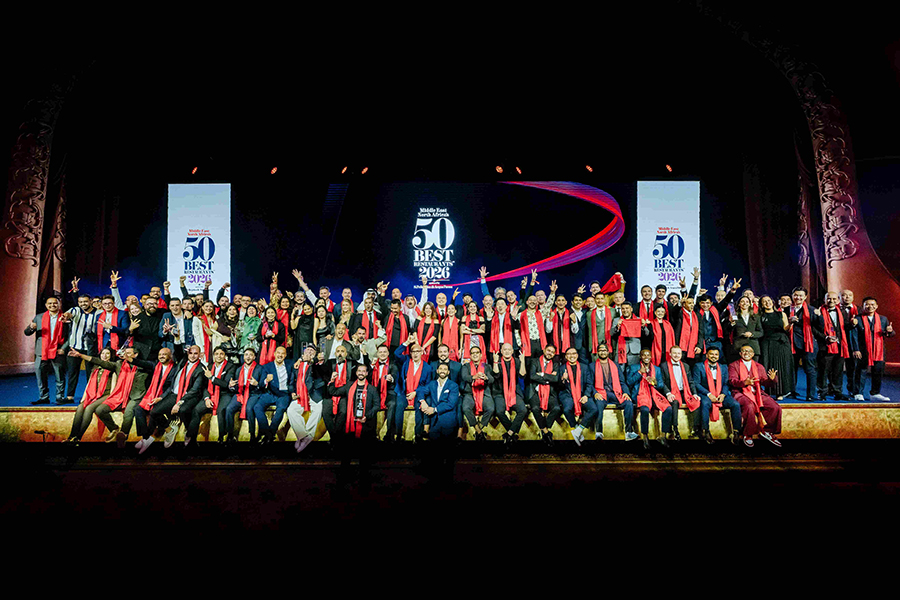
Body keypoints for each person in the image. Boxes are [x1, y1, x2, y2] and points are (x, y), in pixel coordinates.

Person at [72, 345, 156, 447]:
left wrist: (131, 360)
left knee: (128, 412)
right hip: (120, 396)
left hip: (136, 397)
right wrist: (81, 355)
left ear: (136, 354)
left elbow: (150, 365)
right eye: (125, 353)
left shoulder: (143, 366)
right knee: (100, 410)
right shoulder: (119, 364)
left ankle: (123, 435)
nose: (125, 355)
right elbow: (100, 362)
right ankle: (114, 428)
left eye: (129, 353)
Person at [135, 345, 207, 454]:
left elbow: (194, 390)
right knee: (154, 411)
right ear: (187, 354)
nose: (192, 356)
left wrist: (179, 403)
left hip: (189, 396)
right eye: (190, 353)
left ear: (200, 355)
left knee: (182, 410)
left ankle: (189, 433)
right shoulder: (183, 361)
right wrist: (177, 338)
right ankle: (169, 430)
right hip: (175, 394)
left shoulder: (201, 369)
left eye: (195, 353)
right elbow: (178, 350)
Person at [728, 344, 782, 447]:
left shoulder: (758, 366)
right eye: (744, 351)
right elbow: (732, 381)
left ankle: (767, 431)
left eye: (749, 351)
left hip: (757, 393)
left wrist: (772, 380)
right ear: (740, 353)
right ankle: (748, 434)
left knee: (775, 407)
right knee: (749, 406)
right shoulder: (733, 365)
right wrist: (744, 383)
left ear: (753, 354)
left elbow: (764, 382)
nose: (746, 353)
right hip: (741, 393)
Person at [64, 347, 117, 443]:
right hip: (94, 394)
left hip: (106, 395)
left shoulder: (113, 367)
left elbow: (113, 387)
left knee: (89, 408)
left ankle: (78, 438)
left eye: (107, 354)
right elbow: (89, 383)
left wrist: (110, 399)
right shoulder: (95, 367)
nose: (104, 356)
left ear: (111, 356)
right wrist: (84, 397)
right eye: (103, 353)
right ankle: (71, 436)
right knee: (80, 407)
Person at [25, 296, 70, 405]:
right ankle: (43, 397)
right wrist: (31, 328)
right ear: (46, 305)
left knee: (59, 375)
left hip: (58, 350)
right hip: (41, 351)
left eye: (55, 303)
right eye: (49, 303)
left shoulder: (65, 317)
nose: (52, 305)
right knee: (40, 375)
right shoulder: (39, 317)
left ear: (59, 304)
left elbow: (71, 335)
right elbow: (27, 332)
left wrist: (63, 348)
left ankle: (59, 397)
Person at [626, 349, 675, 449]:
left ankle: (662, 436)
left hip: (654, 394)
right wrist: (639, 373)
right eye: (644, 355)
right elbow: (629, 382)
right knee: (644, 410)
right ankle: (645, 437)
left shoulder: (657, 369)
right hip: (641, 394)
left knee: (668, 409)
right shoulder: (634, 367)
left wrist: (655, 382)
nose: (646, 357)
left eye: (648, 355)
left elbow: (661, 385)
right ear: (640, 357)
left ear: (651, 357)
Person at [691, 347, 742, 445]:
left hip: (720, 393)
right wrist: (709, 394)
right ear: (707, 355)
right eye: (711, 354)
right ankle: (705, 431)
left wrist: (723, 394)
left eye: (716, 354)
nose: (714, 356)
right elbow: (696, 383)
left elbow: (726, 383)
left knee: (735, 404)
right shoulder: (699, 366)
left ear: (718, 356)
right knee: (705, 404)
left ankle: (736, 432)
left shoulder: (724, 367)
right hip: (706, 393)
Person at [187, 345, 234, 446]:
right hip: (211, 393)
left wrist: (212, 378)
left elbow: (226, 384)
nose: (219, 356)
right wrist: (207, 398)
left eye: (221, 354)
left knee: (221, 410)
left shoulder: (230, 366)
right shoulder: (209, 366)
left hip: (224, 393)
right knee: (196, 409)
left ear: (225, 355)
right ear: (213, 356)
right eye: (216, 354)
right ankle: (191, 437)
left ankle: (222, 437)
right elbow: (204, 386)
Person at [590, 342, 637, 441]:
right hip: (601, 393)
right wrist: (595, 393)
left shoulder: (615, 365)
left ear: (608, 352)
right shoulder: (592, 366)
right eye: (600, 350)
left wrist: (625, 393)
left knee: (628, 403)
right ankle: (598, 433)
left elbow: (622, 381)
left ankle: (628, 432)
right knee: (598, 404)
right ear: (597, 352)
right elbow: (589, 383)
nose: (602, 352)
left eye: (604, 350)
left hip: (615, 393)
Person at [64, 279, 100, 404]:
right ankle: (70, 396)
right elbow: (68, 314)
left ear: (91, 301)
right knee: (72, 373)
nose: (83, 304)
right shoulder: (75, 310)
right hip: (75, 347)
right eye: (80, 302)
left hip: (90, 348)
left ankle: (90, 396)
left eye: (85, 301)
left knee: (91, 374)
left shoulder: (98, 313)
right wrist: (65, 316)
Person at [852, 297, 895, 401]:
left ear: (876, 306)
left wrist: (889, 331)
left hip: (878, 350)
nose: (870, 306)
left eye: (872, 304)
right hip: (863, 349)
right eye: (867, 304)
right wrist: (856, 349)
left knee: (878, 371)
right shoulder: (857, 319)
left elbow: (889, 333)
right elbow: (853, 335)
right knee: (861, 371)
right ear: (863, 306)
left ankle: (875, 393)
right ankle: (858, 393)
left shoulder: (883, 319)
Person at [394, 335, 434, 442]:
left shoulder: (427, 368)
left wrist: (416, 392)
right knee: (399, 405)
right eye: (413, 351)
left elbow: (427, 385)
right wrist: (407, 342)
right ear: (410, 353)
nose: (415, 354)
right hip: (404, 391)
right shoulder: (406, 361)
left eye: (418, 351)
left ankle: (418, 435)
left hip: (418, 394)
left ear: (421, 352)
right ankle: (398, 434)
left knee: (419, 407)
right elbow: (396, 353)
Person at [787, 287, 824, 401]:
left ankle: (811, 395)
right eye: (796, 295)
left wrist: (819, 316)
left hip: (808, 344)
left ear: (805, 297)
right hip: (791, 343)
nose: (798, 297)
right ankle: (791, 392)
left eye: (800, 295)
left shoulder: (812, 310)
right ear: (792, 296)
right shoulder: (786, 309)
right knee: (791, 369)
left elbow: (821, 327)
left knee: (810, 370)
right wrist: (789, 321)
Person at [816, 291, 854, 400]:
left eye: (834, 299)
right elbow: (814, 329)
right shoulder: (818, 312)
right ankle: (822, 392)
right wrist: (825, 338)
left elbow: (845, 327)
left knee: (838, 371)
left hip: (840, 345)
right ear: (824, 300)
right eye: (829, 298)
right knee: (823, 371)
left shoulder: (842, 312)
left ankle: (837, 392)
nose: (831, 301)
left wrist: (852, 324)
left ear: (837, 300)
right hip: (825, 346)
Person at [287, 345, 324, 452]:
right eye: (307, 350)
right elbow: (290, 383)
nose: (309, 352)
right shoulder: (296, 366)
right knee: (291, 410)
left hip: (313, 394)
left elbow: (319, 373)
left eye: (312, 351)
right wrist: (293, 392)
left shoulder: (316, 365)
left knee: (318, 409)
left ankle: (307, 436)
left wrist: (311, 361)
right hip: (300, 396)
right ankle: (303, 436)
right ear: (302, 354)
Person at [558, 346, 598, 446]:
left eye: (574, 353)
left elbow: (589, 384)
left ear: (577, 355)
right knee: (567, 409)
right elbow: (558, 387)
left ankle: (579, 430)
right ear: (566, 356)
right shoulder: (562, 368)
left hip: (582, 394)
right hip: (567, 394)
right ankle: (576, 428)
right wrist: (563, 379)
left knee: (593, 409)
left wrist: (586, 395)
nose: (572, 356)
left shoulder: (584, 367)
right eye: (569, 354)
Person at [659, 346, 702, 440]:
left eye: (678, 353)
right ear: (670, 354)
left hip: (684, 392)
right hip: (672, 392)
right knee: (674, 402)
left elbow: (691, 382)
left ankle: (696, 428)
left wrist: (694, 393)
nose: (676, 355)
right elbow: (662, 382)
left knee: (696, 401)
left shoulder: (686, 366)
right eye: (674, 353)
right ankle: (675, 428)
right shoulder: (663, 366)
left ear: (681, 355)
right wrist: (668, 393)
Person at [253, 346, 294, 444]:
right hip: (270, 393)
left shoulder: (290, 364)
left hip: (284, 394)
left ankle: (269, 434)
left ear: (285, 355)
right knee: (257, 407)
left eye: (282, 353)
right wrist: (266, 380)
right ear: (274, 354)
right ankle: (267, 432)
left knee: (280, 409)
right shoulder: (267, 367)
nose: (280, 355)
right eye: (278, 353)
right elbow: (261, 384)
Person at [491, 343, 528, 445]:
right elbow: (496, 375)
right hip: (500, 392)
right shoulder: (497, 361)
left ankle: (509, 433)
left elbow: (522, 375)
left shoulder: (517, 361)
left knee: (523, 410)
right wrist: (495, 361)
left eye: (509, 349)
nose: (507, 351)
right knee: (499, 411)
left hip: (514, 392)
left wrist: (522, 361)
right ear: (501, 351)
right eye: (504, 349)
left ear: (512, 351)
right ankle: (512, 433)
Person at [758, 296, 795, 399]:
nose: (767, 303)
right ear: (761, 305)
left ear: (772, 302)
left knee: (781, 367)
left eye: (769, 300)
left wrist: (791, 323)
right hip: (767, 343)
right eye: (764, 301)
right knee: (768, 366)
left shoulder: (781, 314)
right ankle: (769, 391)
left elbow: (786, 328)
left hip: (781, 343)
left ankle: (780, 392)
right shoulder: (760, 316)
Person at [223, 348, 262, 443]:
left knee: (249, 408)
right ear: (243, 357)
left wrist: (257, 384)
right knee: (229, 409)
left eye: (250, 355)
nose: (248, 357)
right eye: (246, 355)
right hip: (241, 393)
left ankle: (252, 435)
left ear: (254, 357)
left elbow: (263, 385)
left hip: (253, 393)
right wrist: (231, 386)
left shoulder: (259, 368)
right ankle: (230, 435)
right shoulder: (239, 369)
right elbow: (236, 386)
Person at [526, 344, 561, 446]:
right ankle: (546, 432)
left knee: (557, 408)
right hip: (535, 392)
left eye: (552, 352)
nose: (550, 353)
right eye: (548, 350)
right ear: (544, 350)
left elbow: (556, 379)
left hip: (550, 392)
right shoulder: (534, 361)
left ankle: (544, 429)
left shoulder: (555, 364)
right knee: (535, 408)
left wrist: (542, 374)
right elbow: (532, 376)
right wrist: (548, 378)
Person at [459, 346, 495, 443]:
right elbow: (464, 377)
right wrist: (474, 377)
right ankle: (479, 431)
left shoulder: (486, 366)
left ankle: (479, 429)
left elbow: (492, 379)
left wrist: (486, 378)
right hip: (470, 393)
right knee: (466, 408)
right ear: (470, 356)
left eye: (477, 352)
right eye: (473, 353)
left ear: (481, 355)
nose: (475, 355)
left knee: (491, 408)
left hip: (484, 392)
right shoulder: (465, 366)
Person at [369, 344, 400, 442]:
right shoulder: (373, 364)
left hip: (388, 392)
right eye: (380, 352)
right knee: (369, 403)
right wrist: (371, 366)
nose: (382, 354)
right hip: (375, 393)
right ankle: (371, 434)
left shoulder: (393, 364)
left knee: (393, 404)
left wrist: (391, 378)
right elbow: (367, 378)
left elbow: (395, 375)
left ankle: (389, 433)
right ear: (377, 354)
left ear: (388, 353)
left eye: (384, 352)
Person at [610, 302, 646, 366]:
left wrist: (643, 327)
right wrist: (617, 327)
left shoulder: (638, 320)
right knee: (619, 370)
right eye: (623, 308)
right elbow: (611, 333)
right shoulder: (617, 320)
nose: (625, 310)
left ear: (631, 309)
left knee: (633, 370)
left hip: (634, 351)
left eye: (627, 308)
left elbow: (647, 333)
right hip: (620, 351)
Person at [160, 296, 194, 363]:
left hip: (186, 345)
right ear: (169, 307)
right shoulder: (166, 316)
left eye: (177, 305)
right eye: (172, 305)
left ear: (181, 306)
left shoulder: (188, 315)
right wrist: (165, 331)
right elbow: (160, 334)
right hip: (171, 346)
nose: (175, 308)